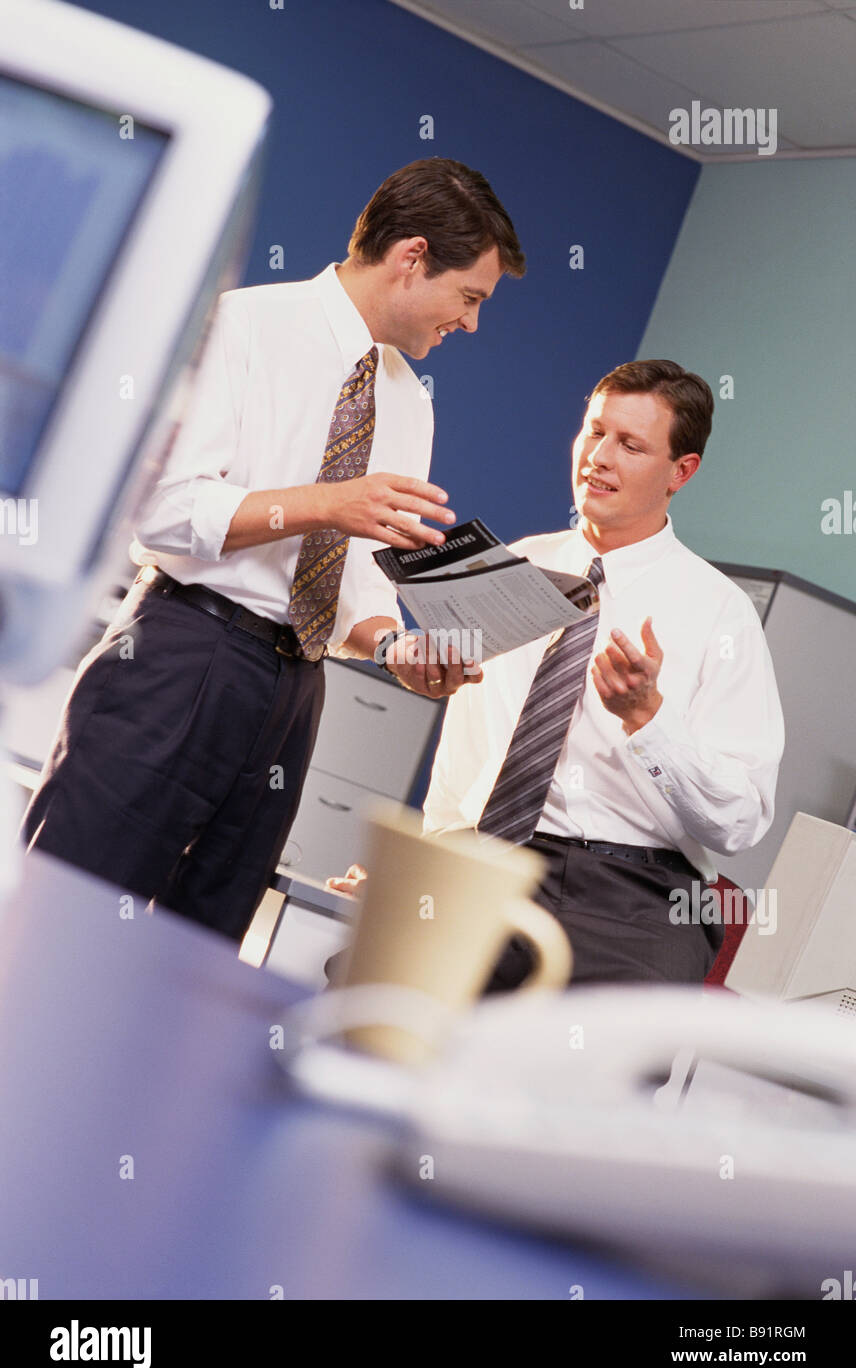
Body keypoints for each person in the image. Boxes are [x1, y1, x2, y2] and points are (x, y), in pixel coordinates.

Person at [21, 157, 525, 943]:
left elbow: (357, 587)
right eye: (470, 298)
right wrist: (324, 503)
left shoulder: (408, 404)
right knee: (64, 918)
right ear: (412, 258)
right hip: (181, 654)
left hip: (295, 692)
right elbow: (163, 509)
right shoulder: (242, 326)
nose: (471, 324)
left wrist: (397, 647)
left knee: (199, 951)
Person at [330, 360, 785, 989]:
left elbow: (739, 823)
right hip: (483, 862)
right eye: (594, 431)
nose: (599, 457)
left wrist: (650, 722)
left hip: (633, 896)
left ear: (682, 472)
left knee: (598, 1070)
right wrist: (427, 864)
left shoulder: (721, 613)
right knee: (374, 1003)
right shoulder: (513, 564)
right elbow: (465, 750)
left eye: (630, 445)